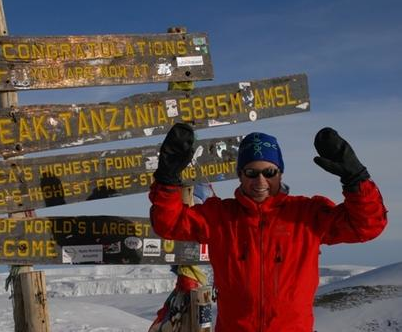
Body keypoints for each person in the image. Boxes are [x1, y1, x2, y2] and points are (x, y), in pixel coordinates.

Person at [149, 123, 388, 332]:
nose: (260, 181)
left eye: (269, 172)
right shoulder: (220, 216)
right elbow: (168, 224)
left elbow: (366, 225)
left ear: (280, 173)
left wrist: (356, 179)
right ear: (240, 175)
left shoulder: (307, 214)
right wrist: (167, 178)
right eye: (251, 173)